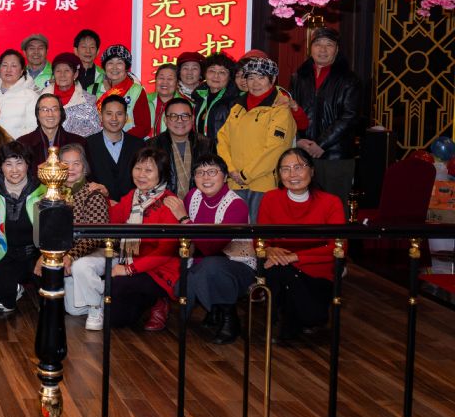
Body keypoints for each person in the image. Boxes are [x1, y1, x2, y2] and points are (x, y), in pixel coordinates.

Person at [76, 147, 179, 331]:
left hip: (158, 271)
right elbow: (112, 217)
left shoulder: (169, 202)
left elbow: (165, 251)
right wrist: (103, 196)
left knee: (117, 292)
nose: (141, 175)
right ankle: (147, 301)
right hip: (131, 262)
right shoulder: (133, 196)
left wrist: (128, 269)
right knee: (116, 319)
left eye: (148, 170)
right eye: (137, 168)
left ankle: (159, 299)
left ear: (161, 174)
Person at [257, 148, 346, 343]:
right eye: (285, 169)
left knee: (280, 270)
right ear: (279, 175)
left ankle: (292, 321)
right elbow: (261, 239)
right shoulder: (270, 199)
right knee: (276, 269)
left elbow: (338, 247)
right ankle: (282, 323)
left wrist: (294, 257)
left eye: (298, 167)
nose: (292, 174)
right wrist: (269, 249)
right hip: (279, 266)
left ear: (311, 171)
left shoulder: (331, 202)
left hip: (317, 269)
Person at [169, 154, 252, 345]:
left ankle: (229, 317)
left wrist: (185, 220)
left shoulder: (236, 205)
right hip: (202, 264)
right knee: (181, 286)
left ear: (225, 176)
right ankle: (214, 308)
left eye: (212, 172)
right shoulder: (192, 196)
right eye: (200, 172)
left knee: (210, 267)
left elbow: (211, 247)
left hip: (237, 267)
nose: (205, 177)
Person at [215, 57, 296, 220]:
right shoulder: (237, 107)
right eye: (251, 77)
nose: (255, 83)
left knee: (259, 230)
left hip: (263, 184)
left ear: (272, 79)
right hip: (234, 182)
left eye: (261, 77)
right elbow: (222, 139)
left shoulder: (279, 109)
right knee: (235, 230)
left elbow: (276, 149)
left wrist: (246, 174)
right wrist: (230, 169)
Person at [289, 28, 362, 202]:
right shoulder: (299, 76)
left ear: (337, 49)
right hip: (303, 153)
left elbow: (349, 117)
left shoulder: (349, 79)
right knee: (304, 204)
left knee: (334, 205)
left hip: (335, 155)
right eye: (318, 44)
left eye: (329, 45)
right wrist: (298, 140)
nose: (323, 49)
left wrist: (321, 144)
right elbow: (289, 112)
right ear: (310, 48)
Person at [54, 144, 113, 323]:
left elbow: (96, 236)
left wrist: (71, 255)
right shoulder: (55, 194)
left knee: (80, 266)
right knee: (73, 310)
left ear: (84, 167)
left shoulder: (93, 194)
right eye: (66, 163)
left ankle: (96, 309)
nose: (71, 168)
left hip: (101, 251)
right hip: (71, 254)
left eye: (76, 163)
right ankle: (102, 291)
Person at [0, 142, 44, 315]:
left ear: (28, 165)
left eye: (19, 163)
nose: (14, 170)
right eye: (8, 164)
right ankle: (14, 289)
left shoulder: (43, 189)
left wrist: (44, 256)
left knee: (51, 294)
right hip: (5, 253)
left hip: (35, 254)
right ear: (1, 167)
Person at [150, 97, 215, 198]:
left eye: (185, 116)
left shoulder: (206, 144)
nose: (180, 120)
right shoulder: (152, 146)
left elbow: (214, 178)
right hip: (163, 201)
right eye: (173, 116)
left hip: (200, 201)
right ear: (165, 120)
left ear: (192, 119)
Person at [84, 95, 145, 202]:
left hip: (132, 206)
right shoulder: (87, 145)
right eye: (109, 114)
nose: (114, 119)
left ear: (126, 117)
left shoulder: (139, 145)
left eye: (119, 114)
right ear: (100, 116)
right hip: (98, 207)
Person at [15, 94, 85, 176]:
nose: (50, 114)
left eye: (54, 109)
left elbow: (87, 175)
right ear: (37, 114)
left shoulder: (78, 142)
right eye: (44, 109)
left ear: (61, 113)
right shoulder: (23, 143)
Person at [95, 45, 151, 138]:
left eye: (119, 63)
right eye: (110, 63)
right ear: (104, 67)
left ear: (126, 67)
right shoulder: (93, 89)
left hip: (128, 143)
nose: (114, 67)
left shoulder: (136, 90)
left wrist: (120, 140)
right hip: (98, 143)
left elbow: (143, 127)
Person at [0, 48, 38, 139]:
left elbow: (33, 128)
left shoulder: (31, 96)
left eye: (14, 66)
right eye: (5, 65)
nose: (8, 70)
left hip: (17, 146)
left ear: (21, 71)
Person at [45, 52, 101, 138]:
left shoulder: (88, 101)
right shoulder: (41, 98)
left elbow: (95, 132)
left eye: (67, 70)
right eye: (58, 71)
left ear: (75, 74)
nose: (62, 75)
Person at [196, 53, 239, 137]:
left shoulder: (234, 102)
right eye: (212, 71)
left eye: (222, 72)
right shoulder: (199, 97)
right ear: (205, 74)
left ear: (229, 77)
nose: (216, 76)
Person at [146, 63, 181, 138]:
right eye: (161, 78)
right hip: (145, 144)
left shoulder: (184, 105)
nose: (165, 82)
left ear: (177, 83)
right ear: (155, 80)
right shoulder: (144, 100)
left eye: (170, 79)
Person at [73, 29, 105, 94]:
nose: (88, 51)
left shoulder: (104, 75)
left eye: (92, 47)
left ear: (98, 51)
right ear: (75, 50)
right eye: (83, 47)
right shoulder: (67, 72)